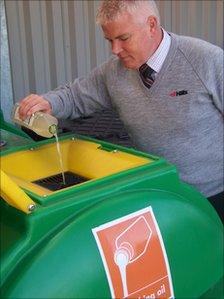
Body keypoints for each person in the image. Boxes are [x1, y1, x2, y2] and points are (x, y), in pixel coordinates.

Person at [18, 0, 223, 219]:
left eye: (123, 38)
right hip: (156, 194)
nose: (115, 50)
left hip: (213, 195)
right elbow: (74, 96)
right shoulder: (114, 73)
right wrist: (46, 103)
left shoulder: (206, 60)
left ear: (151, 25)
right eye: (110, 40)